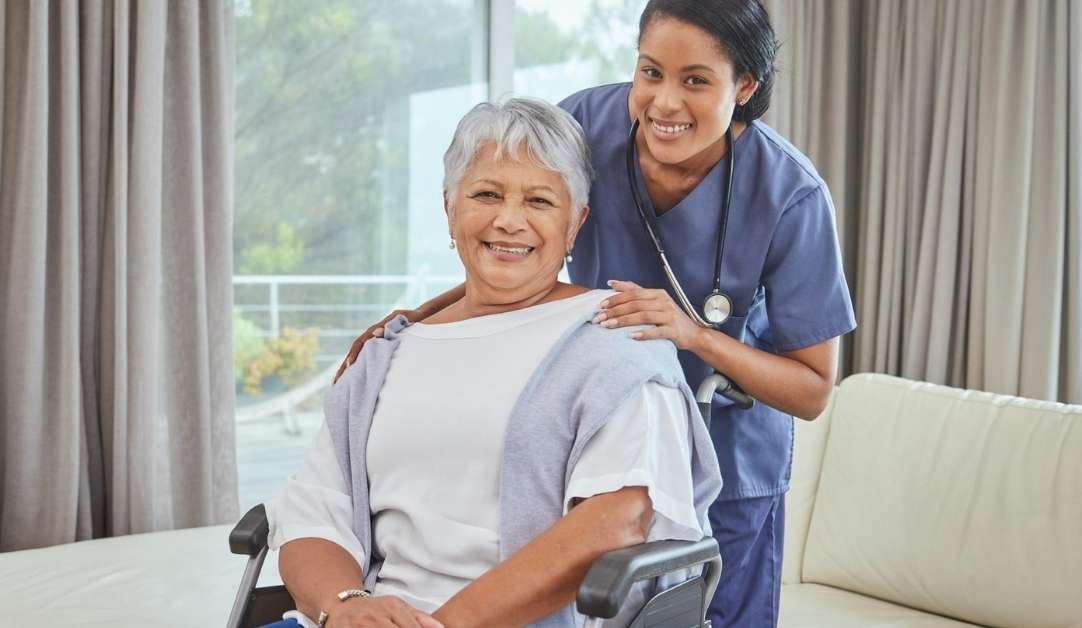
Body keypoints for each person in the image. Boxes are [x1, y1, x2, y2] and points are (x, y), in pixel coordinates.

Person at [337, 2, 856, 625]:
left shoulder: (790, 194)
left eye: (695, 80)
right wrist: (418, 319)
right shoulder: (586, 123)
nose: (664, 103)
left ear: (743, 87)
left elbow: (812, 390)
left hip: (730, 457)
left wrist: (694, 336)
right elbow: (520, 241)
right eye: (650, 72)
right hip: (597, 432)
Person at [266, 98, 721, 628]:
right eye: (487, 194)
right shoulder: (386, 355)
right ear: (449, 207)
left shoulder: (617, 344)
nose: (509, 221)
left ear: (576, 222)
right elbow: (314, 511)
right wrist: (345, 606)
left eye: (539, 201)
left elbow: (615, 522)